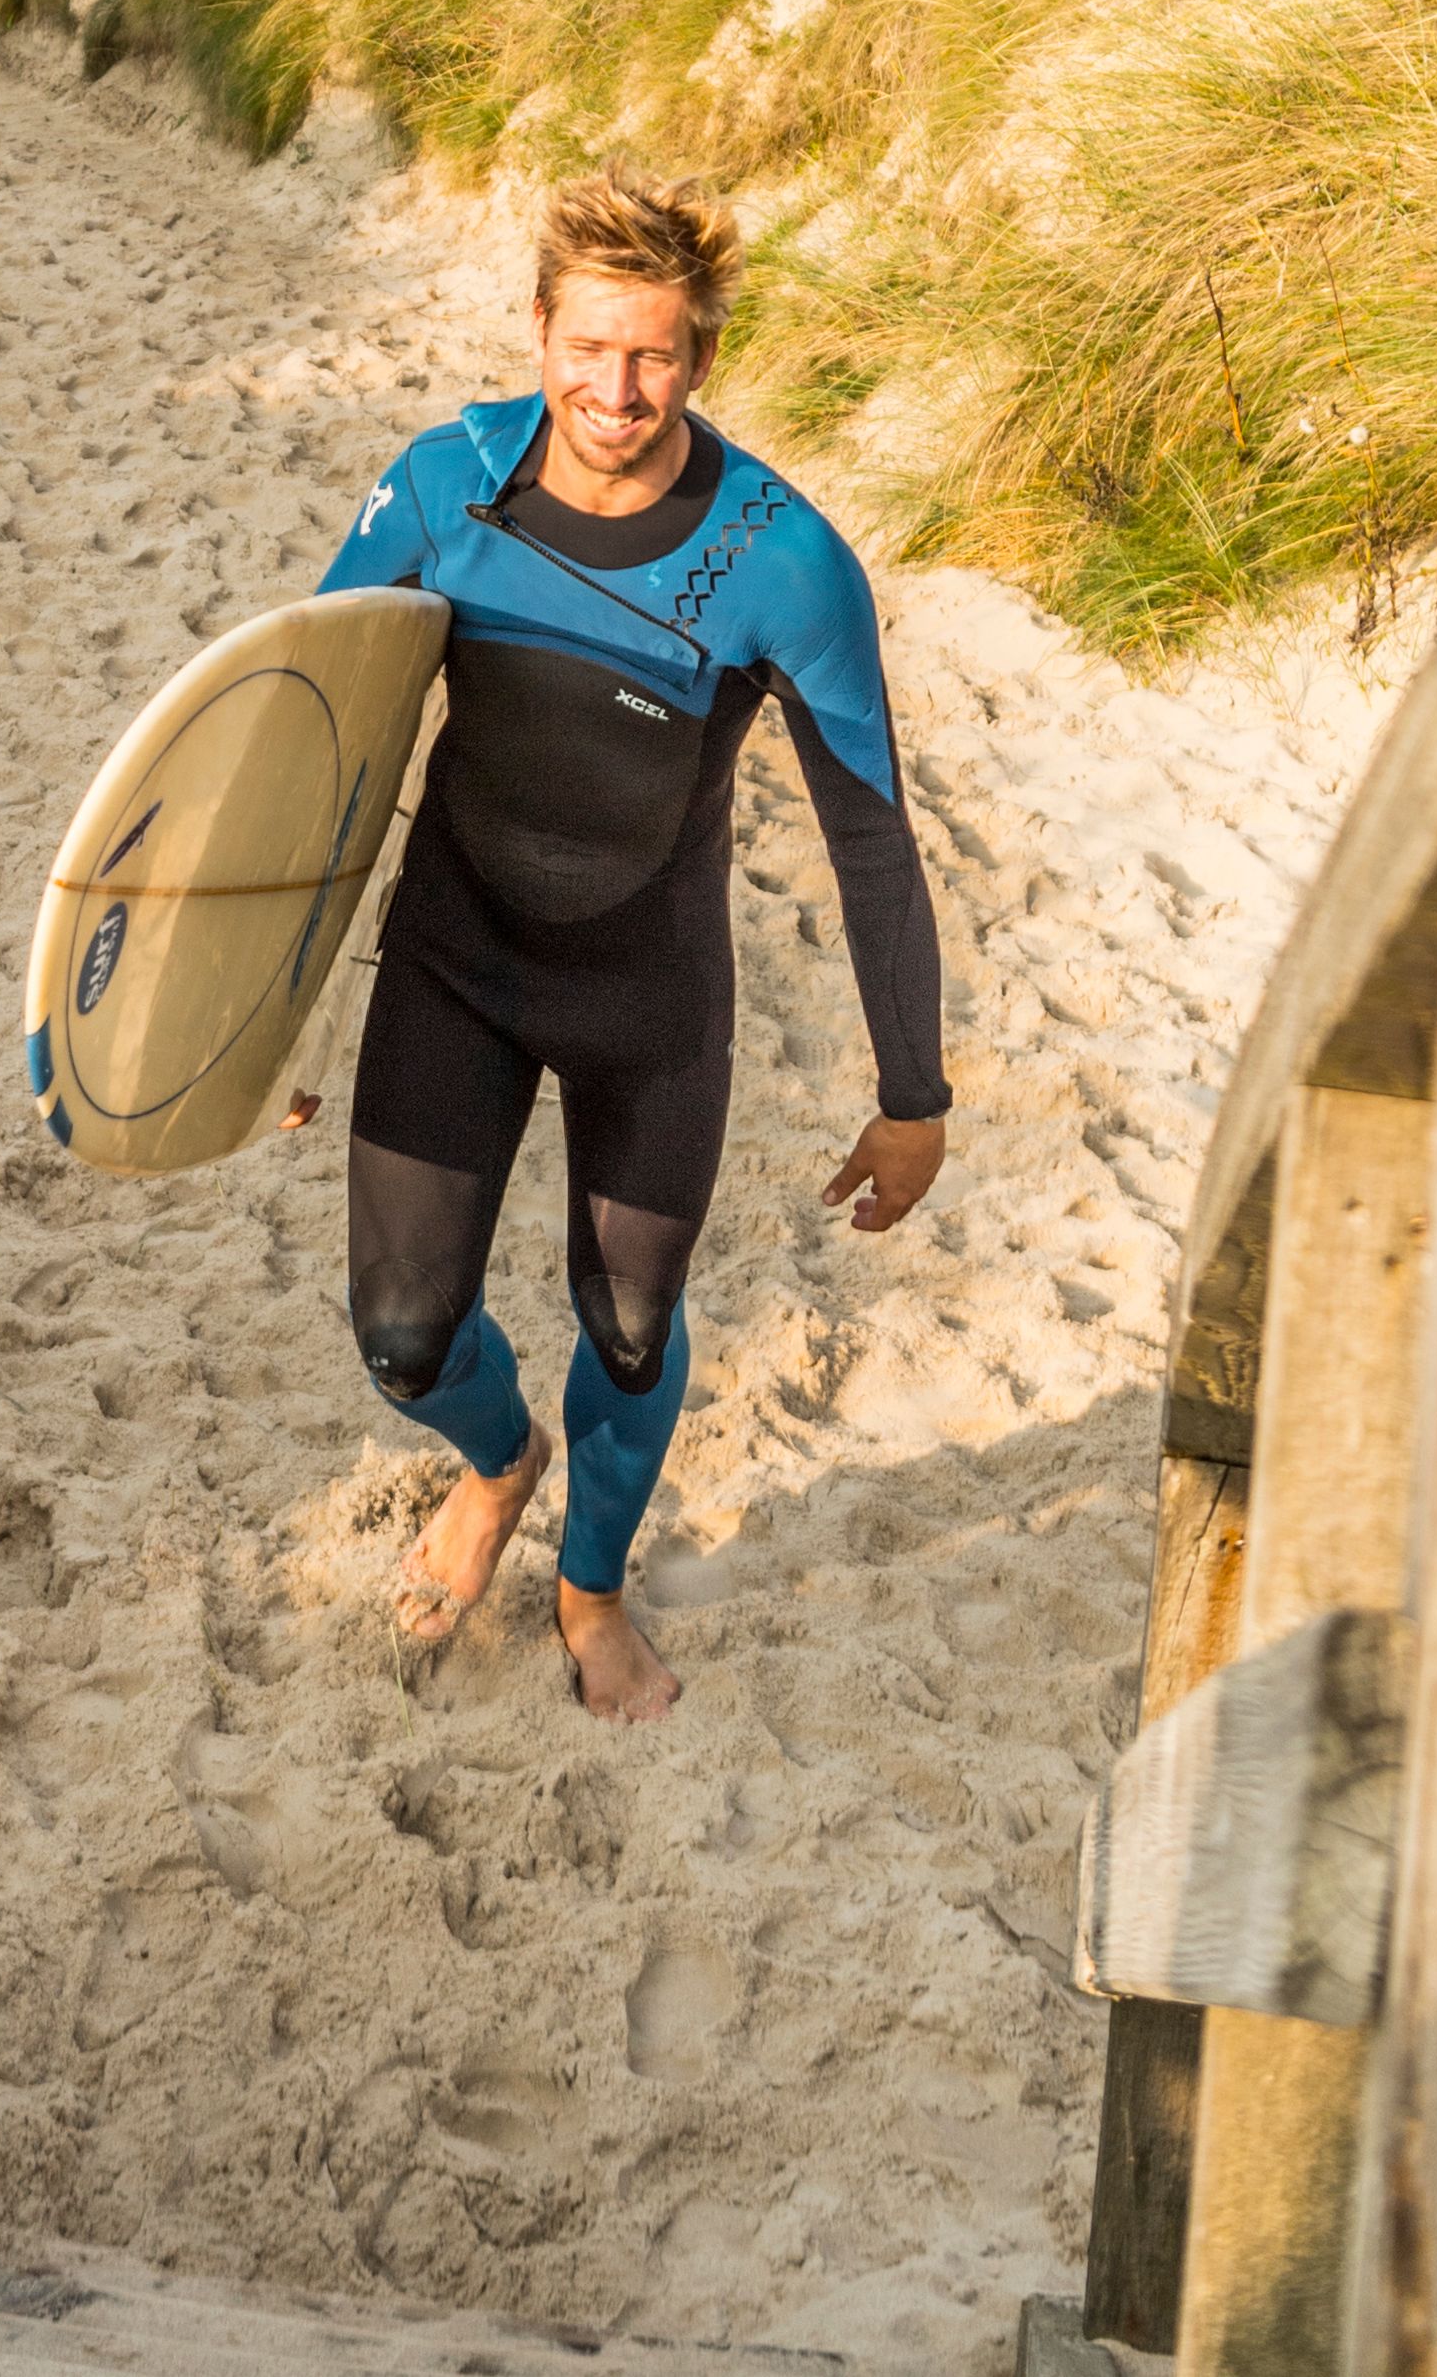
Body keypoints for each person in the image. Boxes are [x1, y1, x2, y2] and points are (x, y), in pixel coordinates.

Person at [317, 168, 946, 1722]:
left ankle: (589, 1583)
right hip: (459, 955)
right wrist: (245, 1015)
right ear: (535, 328)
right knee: (402, 1339)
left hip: (647, 996)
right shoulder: (445, 483)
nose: (615, 390)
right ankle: (498, 1455)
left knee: (634, 1318)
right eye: (588, 347)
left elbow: (868, 831)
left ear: (702, 357)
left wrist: (913, 1088)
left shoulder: (780, 556)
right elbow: (304, 737)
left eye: (653, 355)